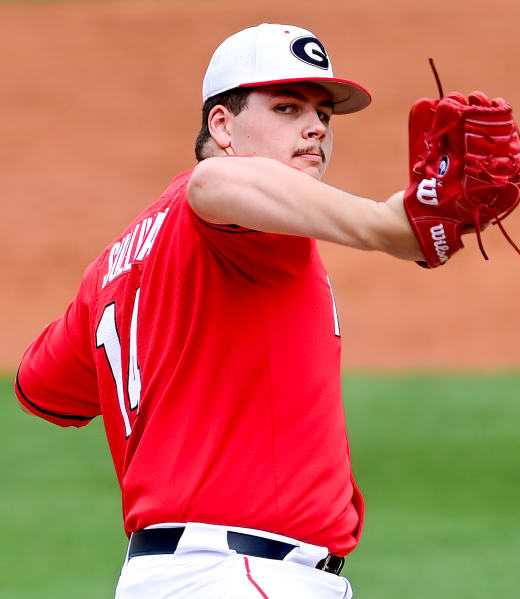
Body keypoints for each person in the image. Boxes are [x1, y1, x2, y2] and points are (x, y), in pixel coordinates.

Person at [14, 23, 428, 599]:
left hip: (162, 576)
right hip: (240, 573)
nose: (315, 127)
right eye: (287, 107)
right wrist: (393, 225)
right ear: (222, 126)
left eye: (323, 115)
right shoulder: (232, 217)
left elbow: (41, 386)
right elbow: (214, 185)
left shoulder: (115, 265)